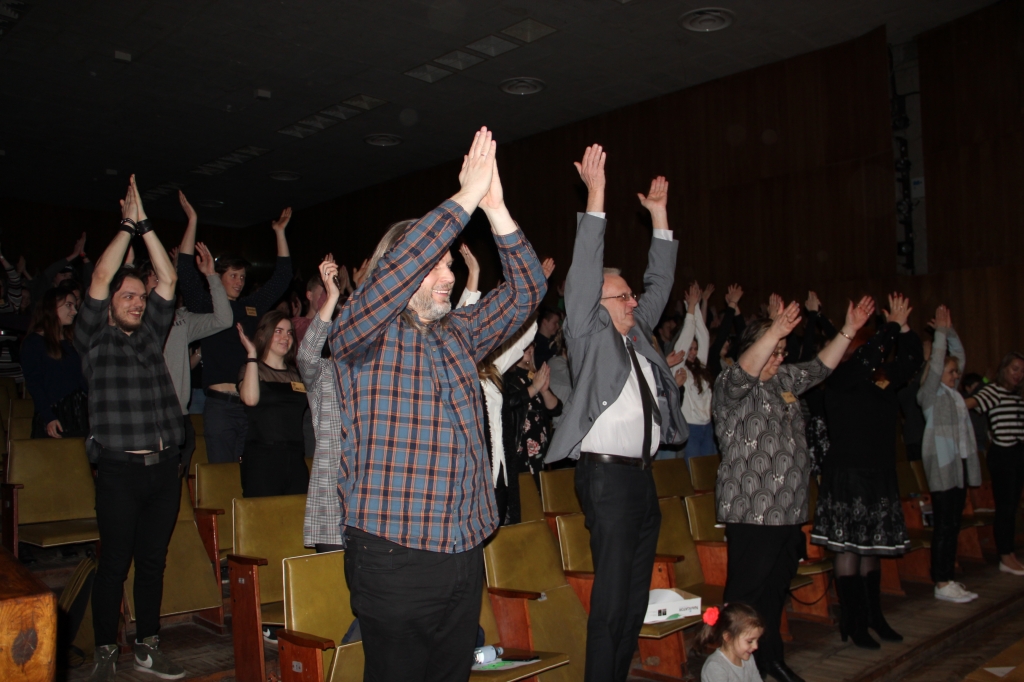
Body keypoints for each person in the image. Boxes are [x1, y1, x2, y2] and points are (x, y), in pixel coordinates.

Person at [327, 127, 545, 681]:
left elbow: (528, 290)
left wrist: (495, 209)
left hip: (463, 548)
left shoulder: (460, 333)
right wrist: (464, 196)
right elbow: (396, 272)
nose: (450, 274)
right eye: (438, 264)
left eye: (450, 264)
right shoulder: (362, 329)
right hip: (394, 552)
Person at [545, 146, 687, 682]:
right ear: (598, 305)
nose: (633, 301)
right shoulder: (588, 334)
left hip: (641, 479)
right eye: (623, 296)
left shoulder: (637, 333)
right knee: (611, 598)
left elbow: (661, 284)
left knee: (634, 598)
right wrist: (597, 197)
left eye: (631, 295)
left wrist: (659, 217)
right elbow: (585, 271)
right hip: (606, 478)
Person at [712, 295, 873, 682]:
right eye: (773, 350)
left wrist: (849, 329)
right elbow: (747, 367)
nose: (779, 357)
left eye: (783, 351)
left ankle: (769, 661)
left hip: (788, 511)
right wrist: (775, 331)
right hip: (752, 511)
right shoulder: (731, 384)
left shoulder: (784, 380)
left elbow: (821, 366)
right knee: (744, 599)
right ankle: (730, 673)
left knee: (773, 594)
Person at [79, 176, 186, 682]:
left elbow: (169, 276)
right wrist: (126, 225)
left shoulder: (150, 332)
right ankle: (105, 651)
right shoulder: (93, 338)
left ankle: (148, 645)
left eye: (140, 297)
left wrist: (146, 227)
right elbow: (103, 274)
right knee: (114, 562)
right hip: (120, 470)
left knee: (152, 562)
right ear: (109, 303)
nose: (138, 302)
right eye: (128, 296)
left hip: (164, 469)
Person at [811, 294, 920, 649]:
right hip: (849, 473)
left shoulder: (879, 376)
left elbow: (911, 361)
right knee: (850, 550)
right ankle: (853, 621)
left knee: (872, 547)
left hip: (879, 472)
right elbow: (869, 355)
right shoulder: (839, 376)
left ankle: (874, 616)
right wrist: (890, 327)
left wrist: (904, 328)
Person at [175, 190, 294, 464]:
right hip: (219, 405)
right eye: (233, 276)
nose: (239, 282)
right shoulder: (205, 305)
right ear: (218, 277)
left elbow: (282, 277)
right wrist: (192, 221)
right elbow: (185, 272)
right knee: (222, 474)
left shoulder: (250, 307)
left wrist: (279, 233)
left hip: (249, 403)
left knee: (249, 471)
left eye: (242, 277)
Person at [140, 241, 233, 481]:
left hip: (178, 415)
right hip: (144, 416)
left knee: (174, 483)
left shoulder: (180, 320)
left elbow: (224, 320)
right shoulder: (134, 319)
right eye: (155, 278)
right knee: (147, 482)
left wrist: (212, 276)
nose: (162, 283)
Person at [918, 305, 982, 602]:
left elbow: (960, 355)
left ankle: (948, 579)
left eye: (957, 372)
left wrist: (950, 330)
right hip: (942, 467)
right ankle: (941, 582)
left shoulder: (954, 395)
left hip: (958, 466)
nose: (957, 375)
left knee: (953, 525)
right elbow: (936, 364)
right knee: (944, 527)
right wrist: (940, 335)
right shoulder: (929, 394)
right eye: (951, 371)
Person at [298, 255, 345, 553]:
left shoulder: (374, 375)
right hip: (331, 496)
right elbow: (306, 355)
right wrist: (333, 296)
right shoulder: (324, 374)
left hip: (372, 497)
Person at [236, 312, 310, 497]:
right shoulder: (252, 369)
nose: (285, 337)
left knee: (298, 513)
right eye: (278, 331)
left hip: (295, 456)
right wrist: (252, 355)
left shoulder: (296, 374)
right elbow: (250, 400)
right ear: (264, 335)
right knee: (264, 514)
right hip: (263, 457)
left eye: (289, 332)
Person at [965, 351, 1024, 575]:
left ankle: (1010, 554)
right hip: (1003, 453)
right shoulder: (994, 391)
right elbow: (969, 404)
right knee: (1005, 507)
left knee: (1013, 506)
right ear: (1004, 369)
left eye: (1022, 371)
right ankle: (1005, 556)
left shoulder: (1017, 395)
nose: (1018, 374)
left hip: (1018, 452)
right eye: (1015, 369)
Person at [23, 286, 88, 438]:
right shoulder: (34, 343)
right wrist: (48, 416)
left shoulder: (73, 340)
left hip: (80, 412)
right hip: (55, 413)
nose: (74, 311)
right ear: (52, 306)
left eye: (74, 306)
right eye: (68, 305)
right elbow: (34, 383)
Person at [502, 338, 562, 490]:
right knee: (526, 496)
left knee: (542, 493)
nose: (529, 347)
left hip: (540, 447)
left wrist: (544, 390)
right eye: (524, 344)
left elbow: (556, 409)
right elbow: (508, 403)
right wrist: (534, 388)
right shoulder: (506, 376)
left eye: (531, 344)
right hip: (519, 449)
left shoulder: (533, 375)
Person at [670, 281, 716, 459]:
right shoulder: (679, 366)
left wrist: (695, 306)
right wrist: (689, 307)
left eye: (695, 349)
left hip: (707, 426)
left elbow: (703, 335)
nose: (693, 352)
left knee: (707, 472)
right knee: (692, 472)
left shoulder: (700, 365)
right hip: (690, 427)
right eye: (690, 349)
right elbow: (687, 336)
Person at [695, 604, 765, 682]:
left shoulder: (748, 658)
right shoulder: (715, 666)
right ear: (728, 637)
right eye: (750, 641)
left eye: (757, 640)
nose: (756, 646)